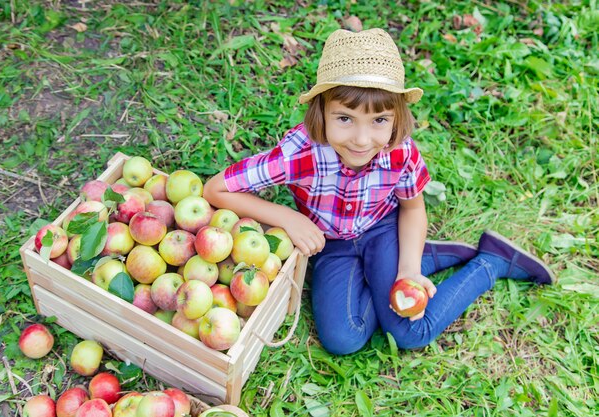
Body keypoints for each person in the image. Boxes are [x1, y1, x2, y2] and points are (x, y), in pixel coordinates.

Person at [203, 28, 554, 355]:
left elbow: (413, 209)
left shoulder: (399, 151)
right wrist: (287, 218)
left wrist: (408, 271)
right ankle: (421, 258)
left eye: (379, 121)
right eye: (345, 119)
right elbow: (216, 189)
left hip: (382, 229)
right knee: (344, 339)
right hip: (332, 245)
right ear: (321, 111)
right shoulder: (300, 153)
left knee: (409, 333)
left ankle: (489, 262)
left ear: (396, 117)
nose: (361, 139)